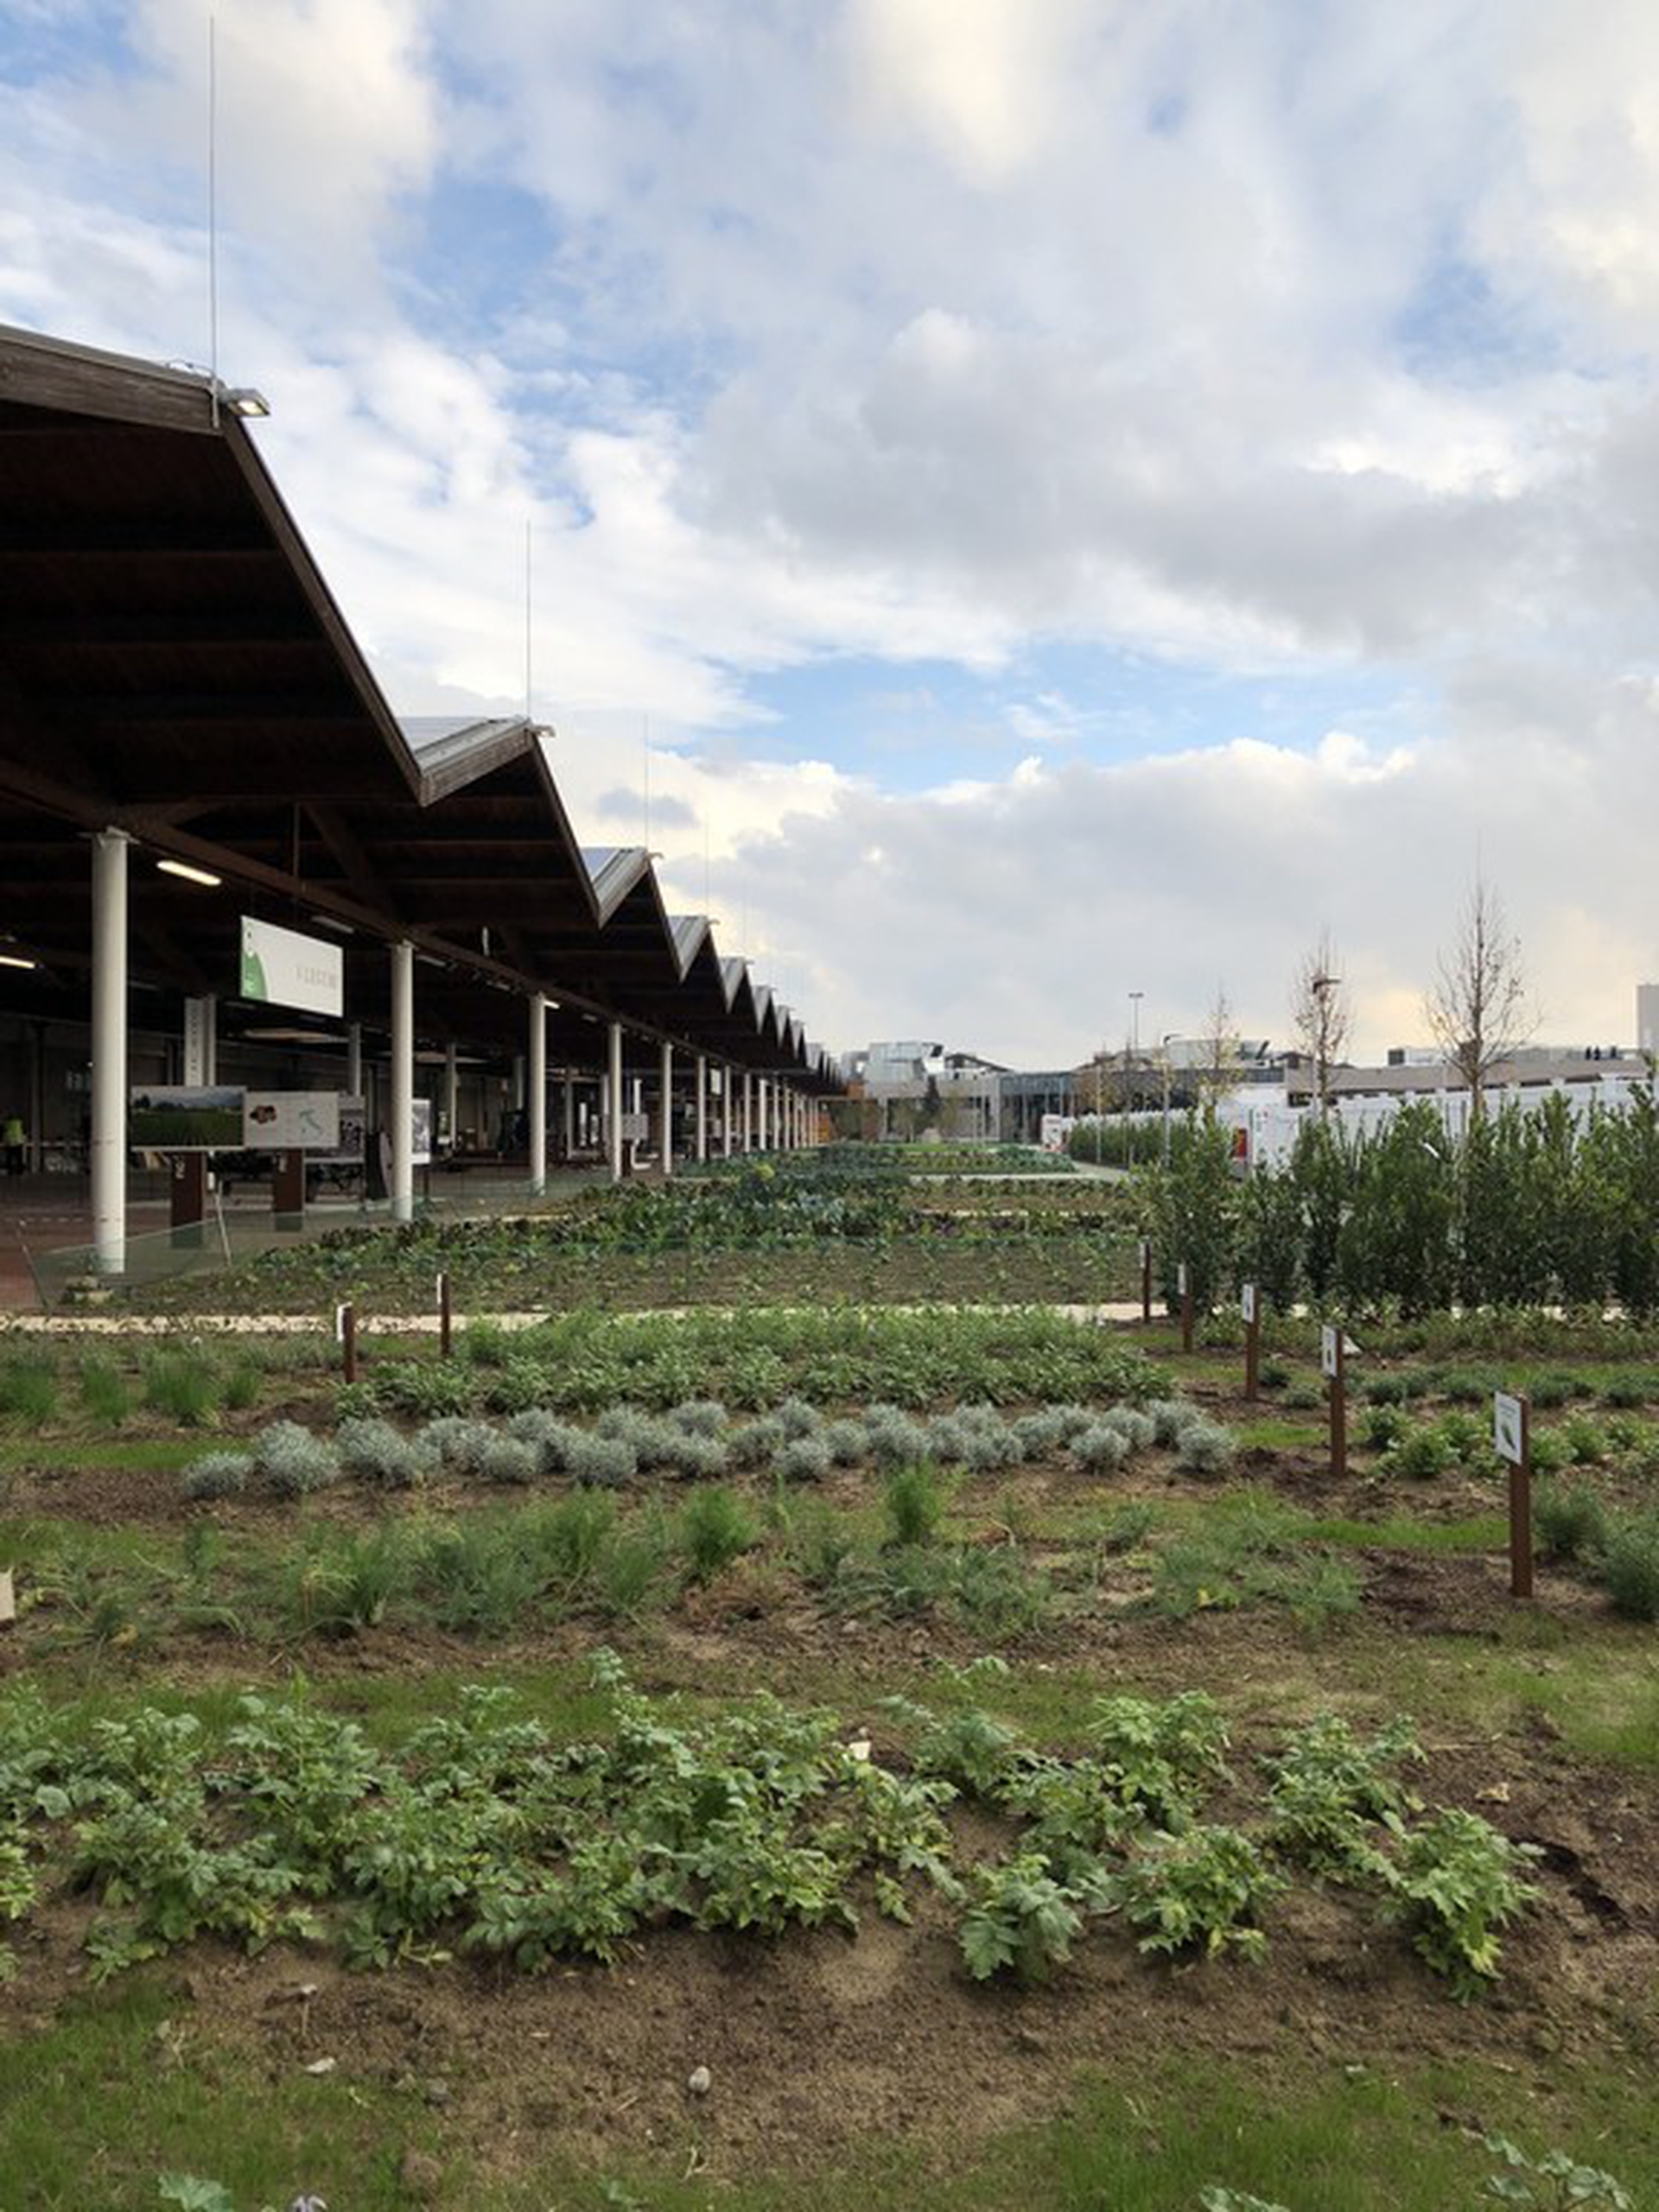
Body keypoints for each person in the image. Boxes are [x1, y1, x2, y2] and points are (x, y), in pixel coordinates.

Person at [3, 1113, 24, 1177]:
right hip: (18, 1142)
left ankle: (9, 1171)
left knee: (9, 1158)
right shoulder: (19, 1123)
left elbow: (4, 1131)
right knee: (19, 1158)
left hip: (10, 1142)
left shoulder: (7, 1124)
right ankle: (20, 1171)